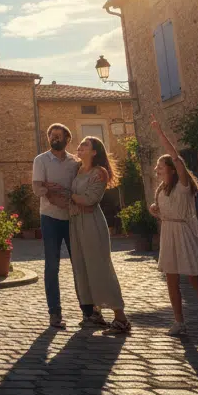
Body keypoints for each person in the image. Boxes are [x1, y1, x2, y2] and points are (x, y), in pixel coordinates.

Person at [149, 117, 198, 339]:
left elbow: (177, 158)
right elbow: (166, 211)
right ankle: (179, 322)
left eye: (161, 166)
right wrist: (156, 211)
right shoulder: (162, 189)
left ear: (172, 169)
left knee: (194, 279)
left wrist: (160, 134)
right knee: (171, 280)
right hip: (168, 233)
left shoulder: (182, 186)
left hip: (183, 234)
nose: (157, 168)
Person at [33, 123, 99, 329]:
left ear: (67, 139)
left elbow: (78, 187)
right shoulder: (41, 160)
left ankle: (88, 311)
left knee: (79, 265)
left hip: (73, 218)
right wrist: (49, 192)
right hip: (49, 218)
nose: (55, 138)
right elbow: (37, 188)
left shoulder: (74, 163)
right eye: (52, 135)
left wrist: (57, 192)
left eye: (59, 135)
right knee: (52, 266)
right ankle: (55, 313)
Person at [68, 136, 131, 335]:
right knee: (82, 267)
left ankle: (121, 318)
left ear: (95, 152)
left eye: (85, 145)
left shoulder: (100, 172)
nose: (80, 146)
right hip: (76, 222)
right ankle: (95, 313)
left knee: (100, 267)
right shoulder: (77, 170)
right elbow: (81, 201)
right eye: (81, 144)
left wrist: (70, 197)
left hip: (92, 223)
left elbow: (90, 199)